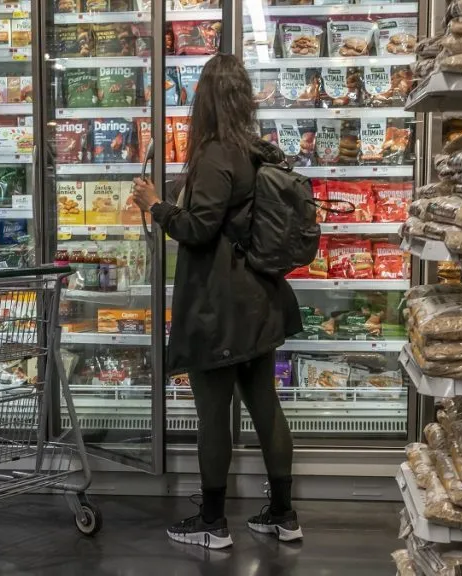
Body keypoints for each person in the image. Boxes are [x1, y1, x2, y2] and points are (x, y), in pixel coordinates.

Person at [131, 54, 303, 549]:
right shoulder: (254, 149)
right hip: (259, 299)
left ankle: (212, 522)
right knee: (265, 404)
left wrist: (156, 206)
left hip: (218, 307)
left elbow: (199, 229)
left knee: (212, 413)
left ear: (204, 100)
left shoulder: (213, 153)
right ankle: (283, 514)